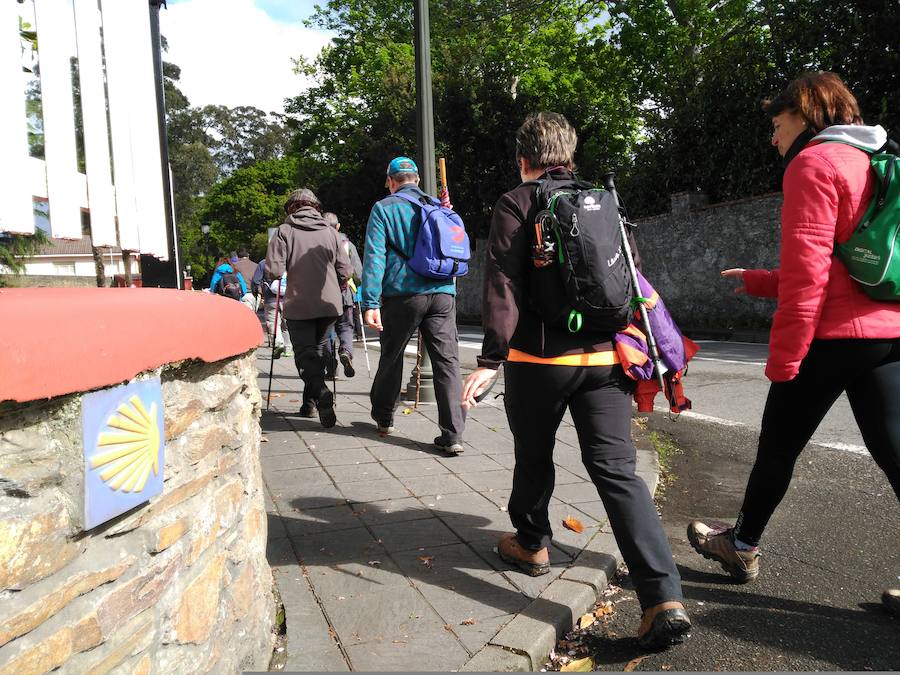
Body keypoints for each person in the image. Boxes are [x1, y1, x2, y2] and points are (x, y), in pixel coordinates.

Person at [461, 112, 690, 649]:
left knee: (535, 455)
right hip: (606, 357)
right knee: (618, 472)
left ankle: (532, 543)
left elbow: (502, 283)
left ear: (524, 159)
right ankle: (663, 598)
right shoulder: (604, 201)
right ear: (570, 154)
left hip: (539, 363)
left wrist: (490, 360)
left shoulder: (517, 203)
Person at [685, 73, 900, 616]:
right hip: (890, 330)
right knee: (897, 453)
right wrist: (760, 279)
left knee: (778, 447)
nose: (773, 138)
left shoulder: (814, 163)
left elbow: (810, 277)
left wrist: (784, 360)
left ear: (805, 117)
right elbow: (849, 264)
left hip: (833, 338)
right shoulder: (882, 159)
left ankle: (740, 547)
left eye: (778, 125)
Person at [360, 157, 466, 455]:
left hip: (403, 293)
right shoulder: (439, 206)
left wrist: (370, 301)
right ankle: (453, 434)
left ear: (391, 181)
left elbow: (375, 256)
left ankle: (383, 418)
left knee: (392, 356)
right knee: (447, 362)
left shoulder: (384, 208)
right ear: (417, 179)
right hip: (443, 291)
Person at [266, 188, 352, 427]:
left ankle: (321, 392)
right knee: (320, 352)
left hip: (299, 304)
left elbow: (273, 270)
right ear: (316, 207)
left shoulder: (284, 231)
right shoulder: (331, 232)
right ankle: (310, 404)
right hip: (329, 304)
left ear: (292, 208)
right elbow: (346, 271)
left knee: (305, 355)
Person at [322, 211, 363, 378]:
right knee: (346, 327)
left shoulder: (317, 244)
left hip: (324, 296)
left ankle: (331, 368)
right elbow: (358, 274)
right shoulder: (348, 245)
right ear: (338, 226)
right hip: (345, 294)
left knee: (326, 332)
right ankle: (346, 350)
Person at [252, 258, 292, 359]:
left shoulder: (263, 263)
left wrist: (257, 293)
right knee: (286, 324)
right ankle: (288, 349)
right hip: (288, 299)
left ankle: (279, 343)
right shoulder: (288, 260)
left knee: (273, 323)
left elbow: (256, 281)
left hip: (271, 299)